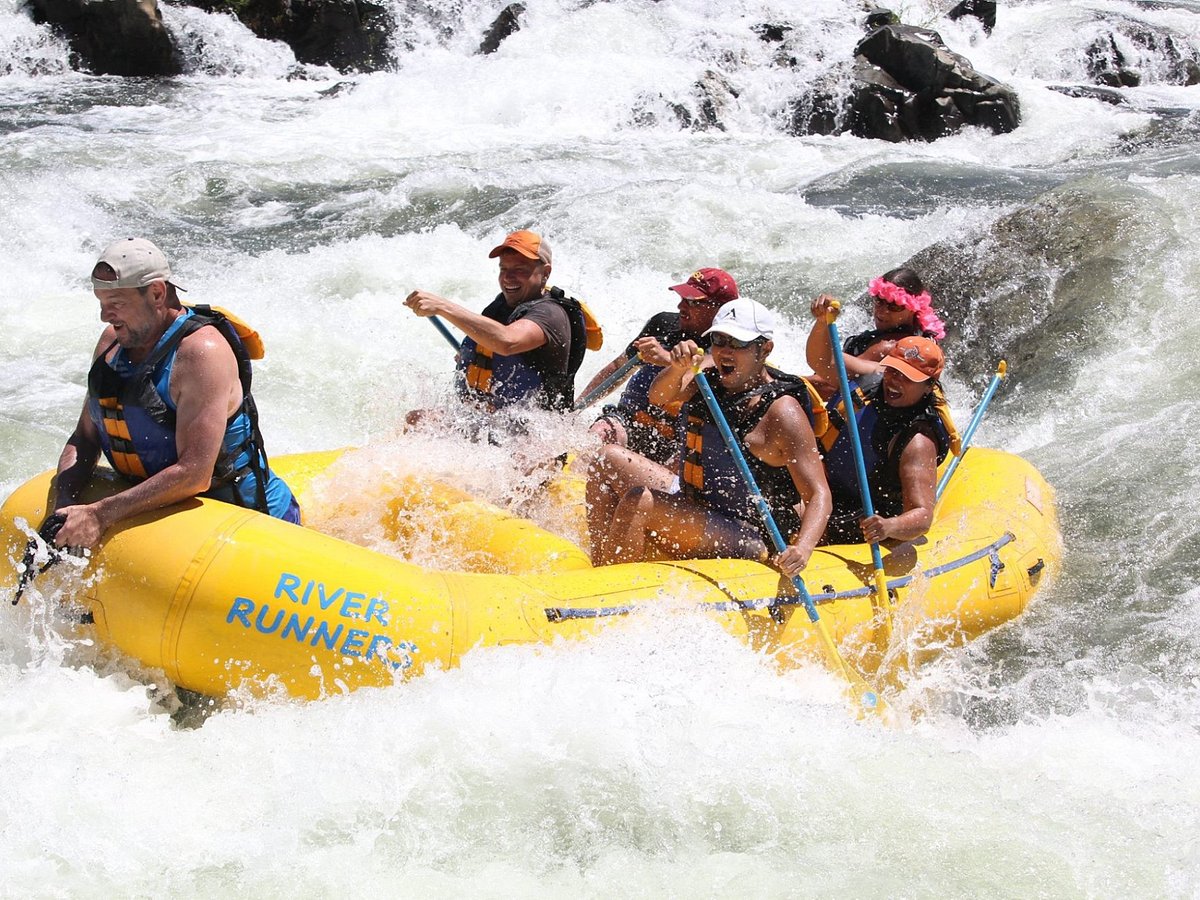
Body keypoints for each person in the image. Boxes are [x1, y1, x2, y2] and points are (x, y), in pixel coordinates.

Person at [52, 238, 300, 550]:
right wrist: (65, 505)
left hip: (248, 521)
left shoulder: (200, 353)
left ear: (156, 293)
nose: (105, 316)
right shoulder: (111, 344)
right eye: (101, 303)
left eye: (116, 303)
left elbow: (195, 474)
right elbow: (84, 438)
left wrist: (100, 514)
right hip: (161, 513)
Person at [597, 299, 831, 575]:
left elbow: (818, 493)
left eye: (738, 343)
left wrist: (802, 549)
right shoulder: (707, 382)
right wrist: (677, 367)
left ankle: (612, 592)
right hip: (695, 503)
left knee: (641, 501)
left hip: (750, 534)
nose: (725, 352)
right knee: (606, 458)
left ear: (765, 348)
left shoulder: (782, 411)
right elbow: (658, 397)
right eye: (719, 340)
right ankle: (597, 566)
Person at [809, 294, 958, 545]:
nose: (895, 381)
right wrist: (822, 323)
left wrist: (889, 526)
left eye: (908, 377)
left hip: (862, 512)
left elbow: (922, 516)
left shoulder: (917, 441)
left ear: (928, 387)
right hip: (823, 486)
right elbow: (822, 362)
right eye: (893, 371)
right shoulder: (871, 383)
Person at [403, 230, 597, 418]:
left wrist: (443, 307)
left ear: (545, 273)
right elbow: (484, 345)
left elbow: (507, 342)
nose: (507, 277)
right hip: (489, 420)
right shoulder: (501, 306)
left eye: (519, 269)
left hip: (533, 432)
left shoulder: (550, 313)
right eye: (503, 269)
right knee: (417, 419)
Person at [586, 267, 739, 462]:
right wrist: (577, 409)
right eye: (683, 298)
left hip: (679, 443)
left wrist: (666, 359)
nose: (681, 306)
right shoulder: (663, 324)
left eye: (692, 302)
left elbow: (699, 377)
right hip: (627, 420)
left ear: (721, 309)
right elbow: (618, 367)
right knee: (600, 432)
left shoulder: (729, 347)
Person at [805, 267, 946, 397]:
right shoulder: (916, 338)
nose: (882, 311)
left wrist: (790, 381)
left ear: (913, 309)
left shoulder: (890, 347)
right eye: (879, 301)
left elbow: (828, 373)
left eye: (894, 306)